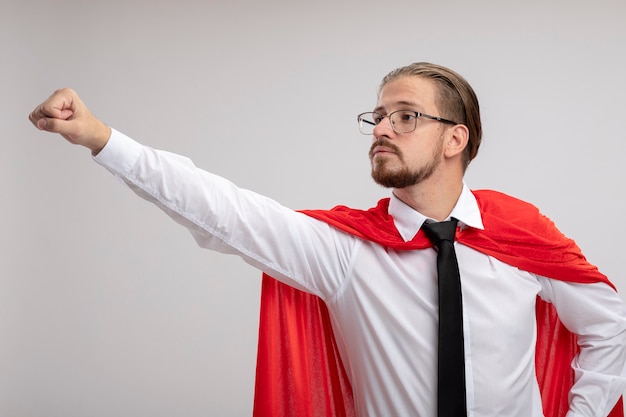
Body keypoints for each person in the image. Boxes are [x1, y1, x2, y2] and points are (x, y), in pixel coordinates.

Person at [29, 62, 626, 417]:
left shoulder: (519, 236)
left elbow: (612, 327)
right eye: (379, 116)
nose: (383, 128)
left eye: (406, 115)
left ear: (455, 139)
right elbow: (224, 211)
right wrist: (101, 137)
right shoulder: (342, 251)